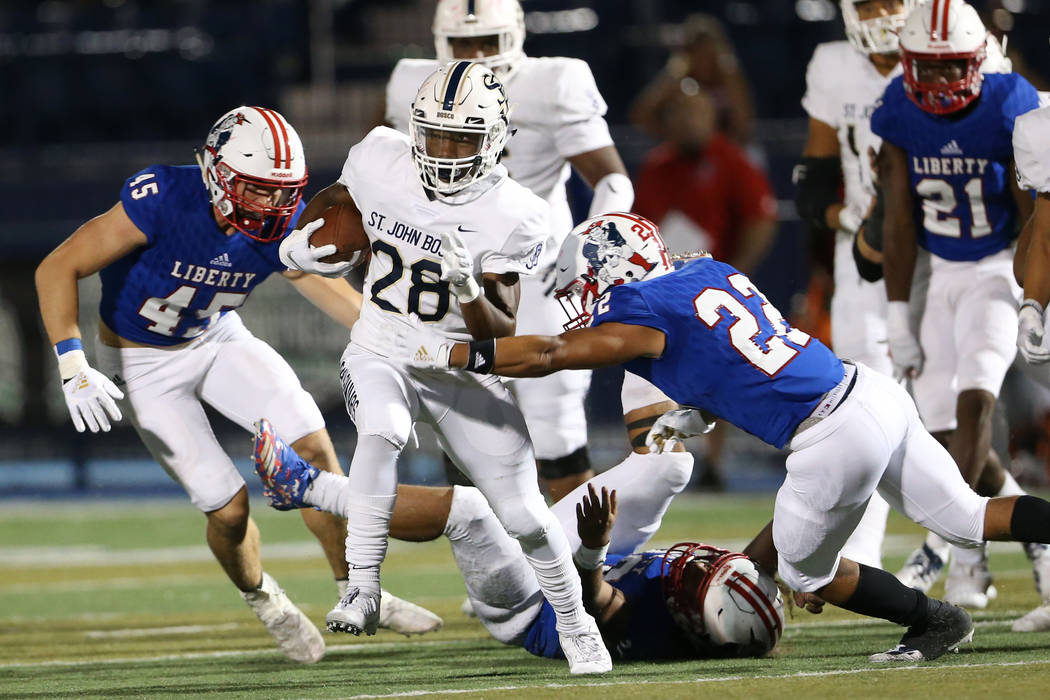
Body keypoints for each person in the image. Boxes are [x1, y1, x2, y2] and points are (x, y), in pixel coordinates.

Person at [389, 210, 1050, 662]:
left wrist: (449, 354)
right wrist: (695, 411)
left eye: (591, 283)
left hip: (831, 436)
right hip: (869, 391)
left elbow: (550, 354)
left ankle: (932, 620)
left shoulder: (641, 307)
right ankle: (941, 612)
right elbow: (738, 364)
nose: (587, 299)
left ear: (614, 273)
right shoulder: (710, 272)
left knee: (801, 575)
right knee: (968, 517)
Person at [33, 106, 442, 664]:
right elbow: (56, 267)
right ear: (218, 174)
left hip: (218, 338)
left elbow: (333, 297)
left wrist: (405, 345)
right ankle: (267, 601)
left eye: (284, 193)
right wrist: (72, 361)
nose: (275, 207)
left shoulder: (284, 222)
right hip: (142, 362)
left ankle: (357, 588)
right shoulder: (162, 198)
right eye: (258, 191)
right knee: (228, 510)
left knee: (313, 447)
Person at [276, 61, 612, 675]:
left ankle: (575, 620)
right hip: (383, 343)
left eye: (461, 138)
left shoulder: (516, 212)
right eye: (433, 134)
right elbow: (339, 206)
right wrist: (303, 244)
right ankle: (362, 585)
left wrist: (467, 289)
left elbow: (499, 332)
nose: (444, 151)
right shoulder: (381, 156)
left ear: (494, 140)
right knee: (382, 431)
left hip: (459, 365)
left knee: (524, 514)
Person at [250, 413, 785, 662]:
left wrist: (595, 545)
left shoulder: (650, 631)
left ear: (692, 620)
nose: (696, 561)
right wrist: (811, 534)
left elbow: (590, 595)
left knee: (469, 509)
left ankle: (309, 486)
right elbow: (770, 542)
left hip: (538, 605)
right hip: (600, 554)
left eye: (697, 578)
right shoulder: (716, 604)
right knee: (671, 467)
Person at [379, 0, 635, 501]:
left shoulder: (552, 83)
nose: (474, 55)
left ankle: (586, 575)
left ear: (515, 37)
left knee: (555, 435)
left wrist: (581, 248)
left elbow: (612, 179)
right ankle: (494, 575)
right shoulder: (413, 83)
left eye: (487, 43)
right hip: (453, 273)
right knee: (463, 438)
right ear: (438, 43)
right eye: (461, 44)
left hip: (537, 275)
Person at [872, 0, 1050, 624]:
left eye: (954, 69)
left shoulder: (1012, 100)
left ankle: (943, 546)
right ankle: (1035, 536)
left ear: (979, 61)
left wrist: (1034, 291)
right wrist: (898, 312)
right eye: (930, 68)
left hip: (999, 267)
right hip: (941, 272)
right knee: (949, 433)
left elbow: (1037, 212)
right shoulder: (897, 105)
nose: (943, 82)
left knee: (977, 400)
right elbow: (897, 218)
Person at [793, 0, 915, 586]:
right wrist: (856, 226)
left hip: (946, 254)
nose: (881, 12)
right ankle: (866, 553)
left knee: (946, 404)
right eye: (867, 1)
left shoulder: (953, 44)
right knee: (868, 405)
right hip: (864, 256)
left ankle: (962, 552)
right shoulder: (834, 63)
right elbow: (814, 186)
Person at [630, 13, 756, 147]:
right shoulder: (679, 75)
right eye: (697, 49)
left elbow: (744, 122)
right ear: (687, 52)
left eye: (708, 49)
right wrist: (671, 138)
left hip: (726, 149)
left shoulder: (727, 73)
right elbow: (640, 114)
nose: (704, 58)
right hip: (689, 151)